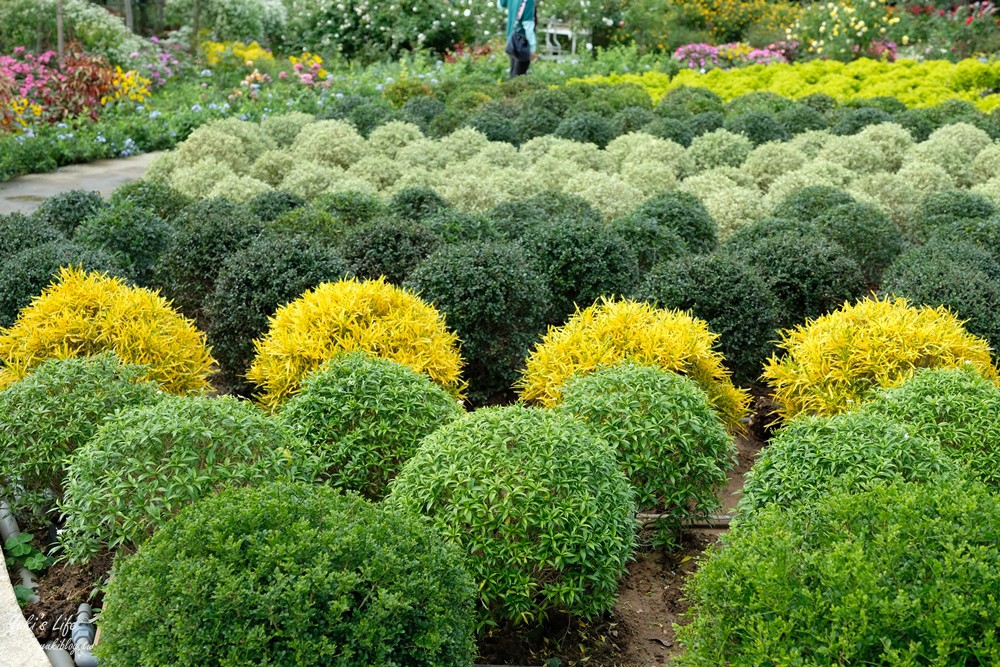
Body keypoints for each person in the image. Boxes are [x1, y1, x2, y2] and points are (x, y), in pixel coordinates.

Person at [498, 0, 536, 78]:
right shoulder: (529, 1)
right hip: (522, 42)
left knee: (513, 74)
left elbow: (500, 5)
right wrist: (533, 48)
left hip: (511, 39)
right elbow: (528, 24)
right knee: (519, 78)